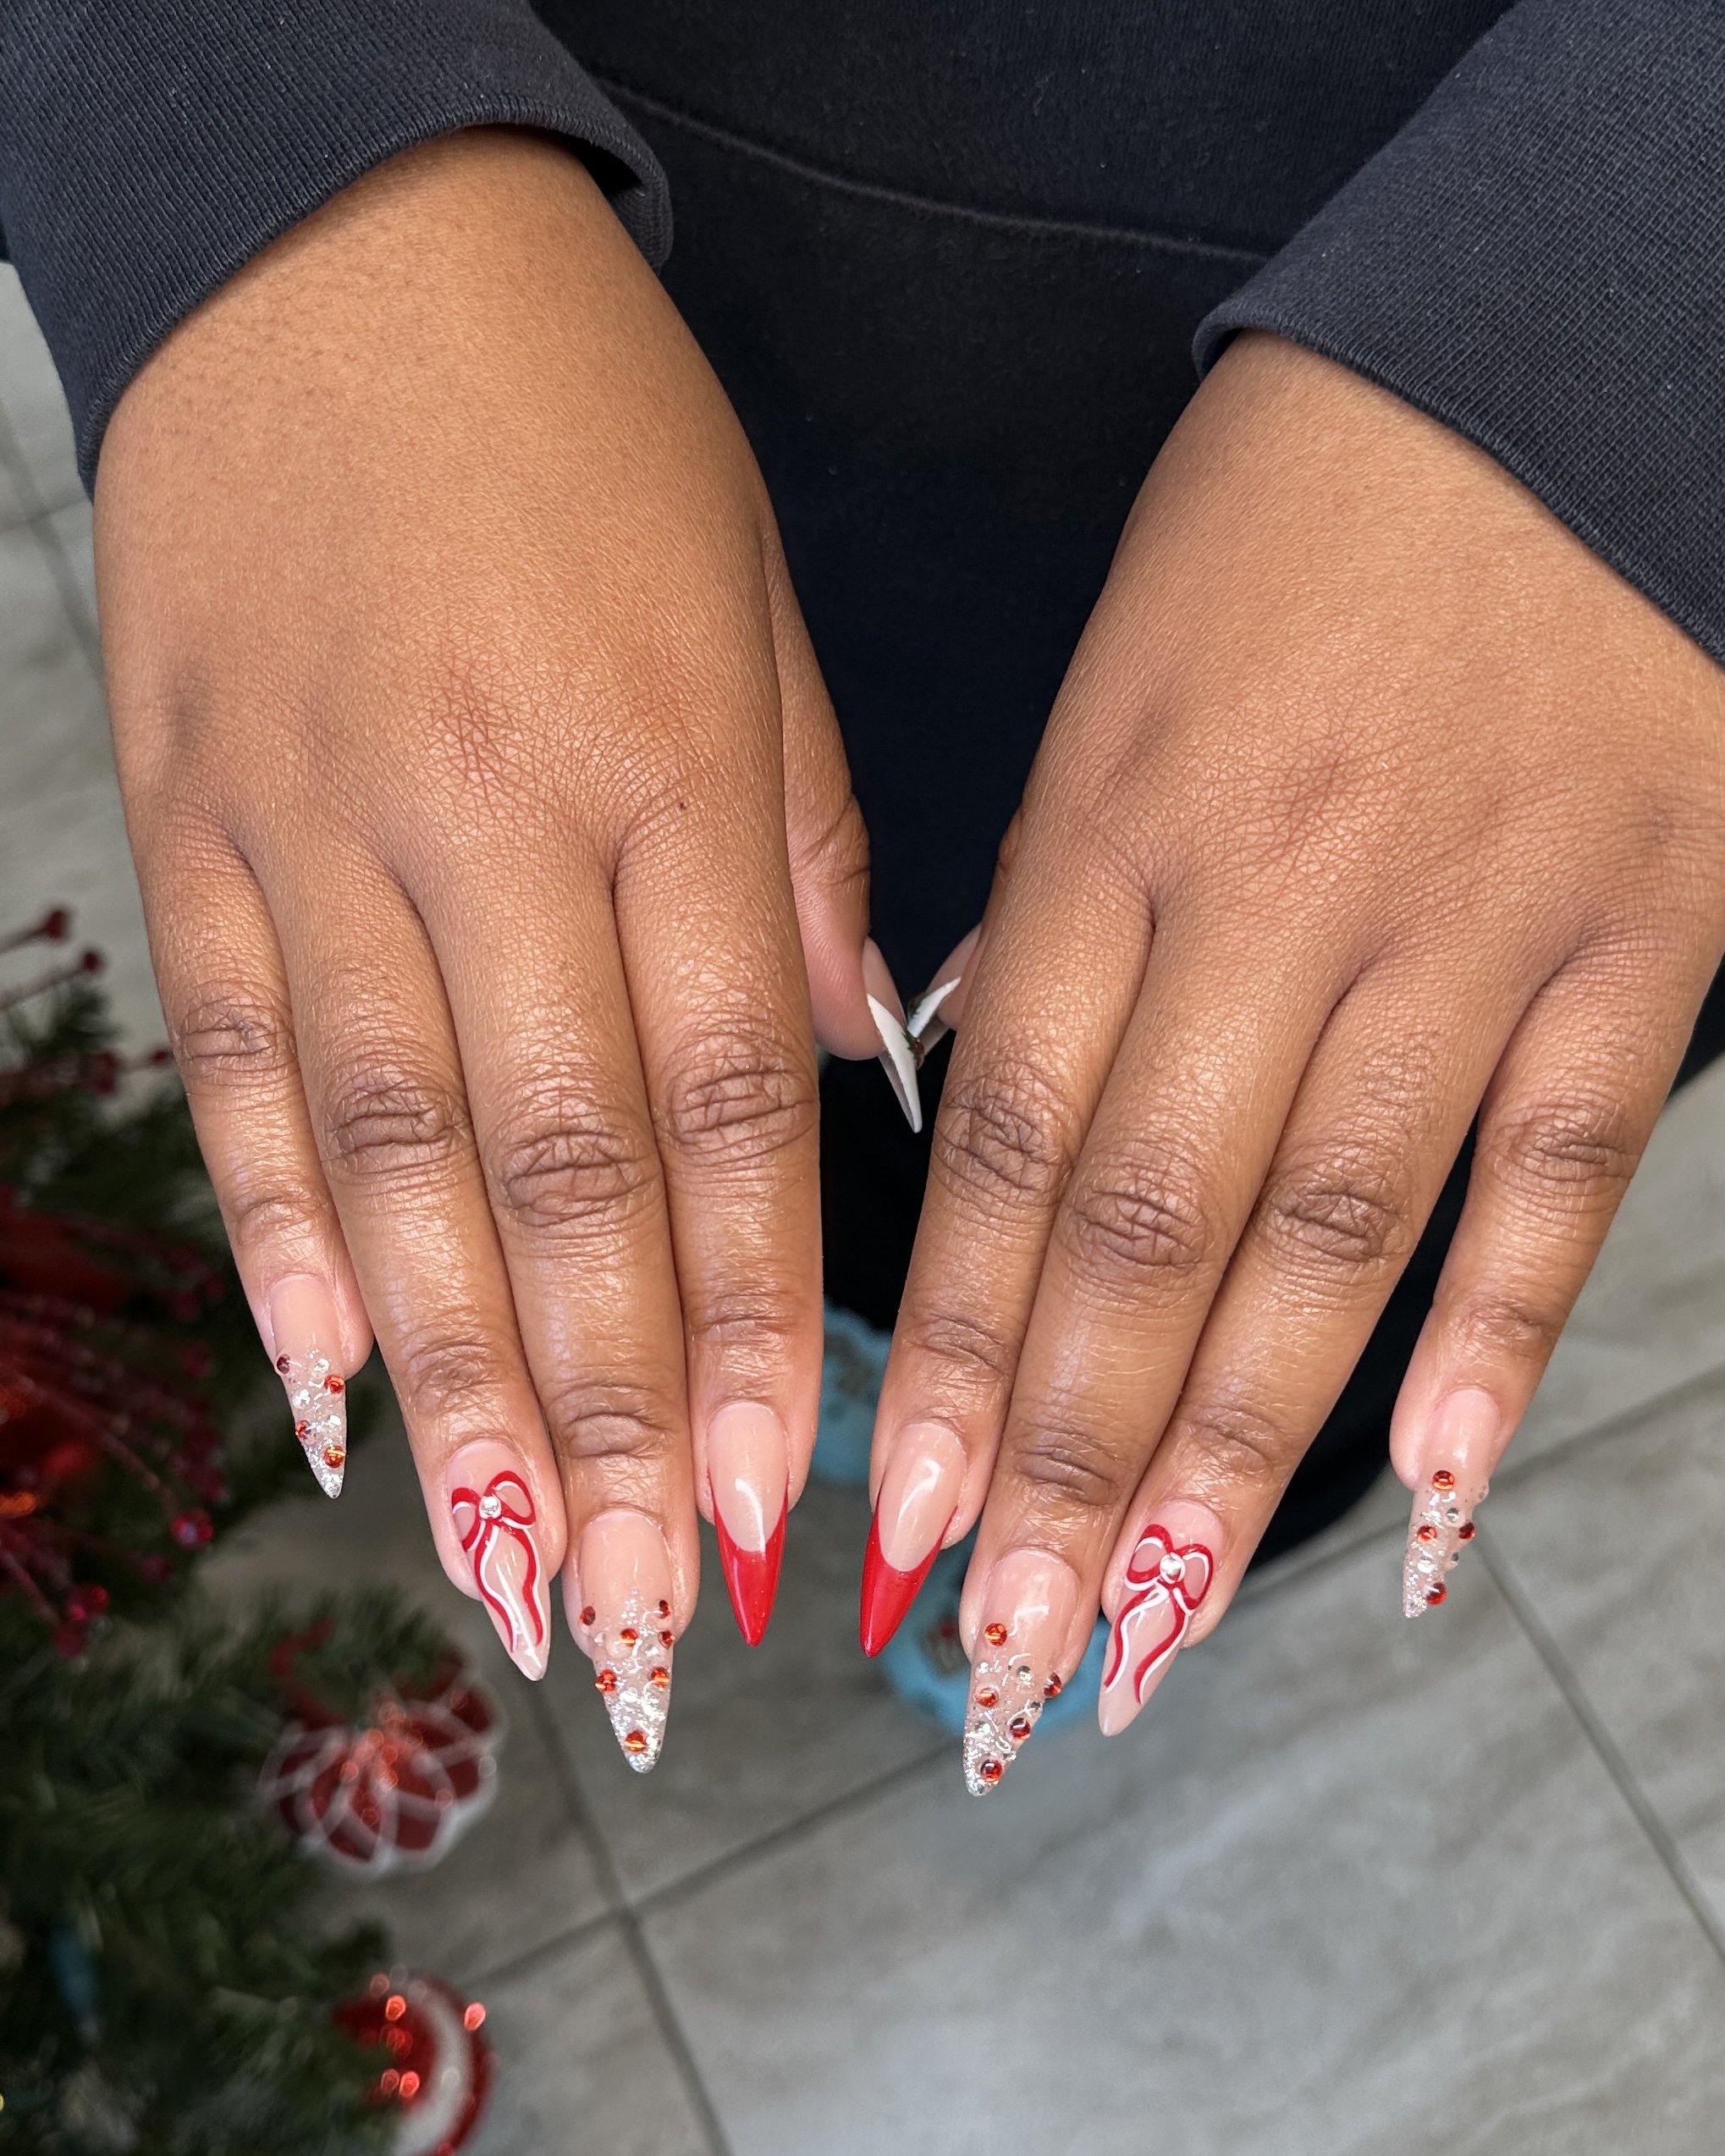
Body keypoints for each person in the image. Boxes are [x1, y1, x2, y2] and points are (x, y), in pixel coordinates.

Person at [5, 2, 1722, 1786]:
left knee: (1319, 1156)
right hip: (599, 225)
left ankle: (1060, 1529)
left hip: (1565, 526)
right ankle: (856, 1366)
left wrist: (1635, 315)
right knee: (714, 1042)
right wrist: (239, 102)